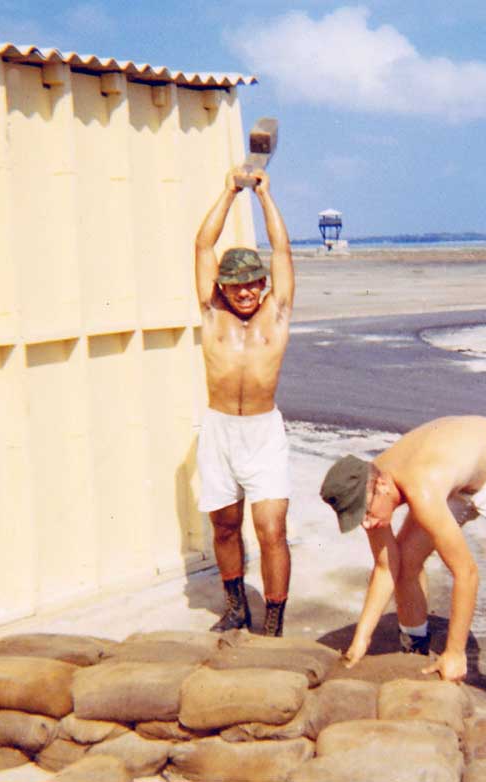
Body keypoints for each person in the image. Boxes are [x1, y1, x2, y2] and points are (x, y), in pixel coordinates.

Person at [319, 415, 486, 741]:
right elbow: (386, 567)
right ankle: (414, 655)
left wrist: (455, 653)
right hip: (456, 479)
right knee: (408, 562)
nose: (366, 524)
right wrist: (361, 638)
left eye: (365, 513)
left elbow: (466, 573)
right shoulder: (369, 480)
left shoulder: (418, 486)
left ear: (381, 486)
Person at [193, 165, 294, 637]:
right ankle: (236, 607)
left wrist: (264, 197)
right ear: (222, 287)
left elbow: (282, 250)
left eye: (254, 282)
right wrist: (229, 191)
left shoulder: (277, 313)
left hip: (262, 433)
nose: (248, 290)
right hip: (219, 433)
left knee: (272, 530)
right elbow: (202, 246)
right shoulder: (212, 314)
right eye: (238, 284)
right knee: (226, 527)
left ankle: (273, 621)